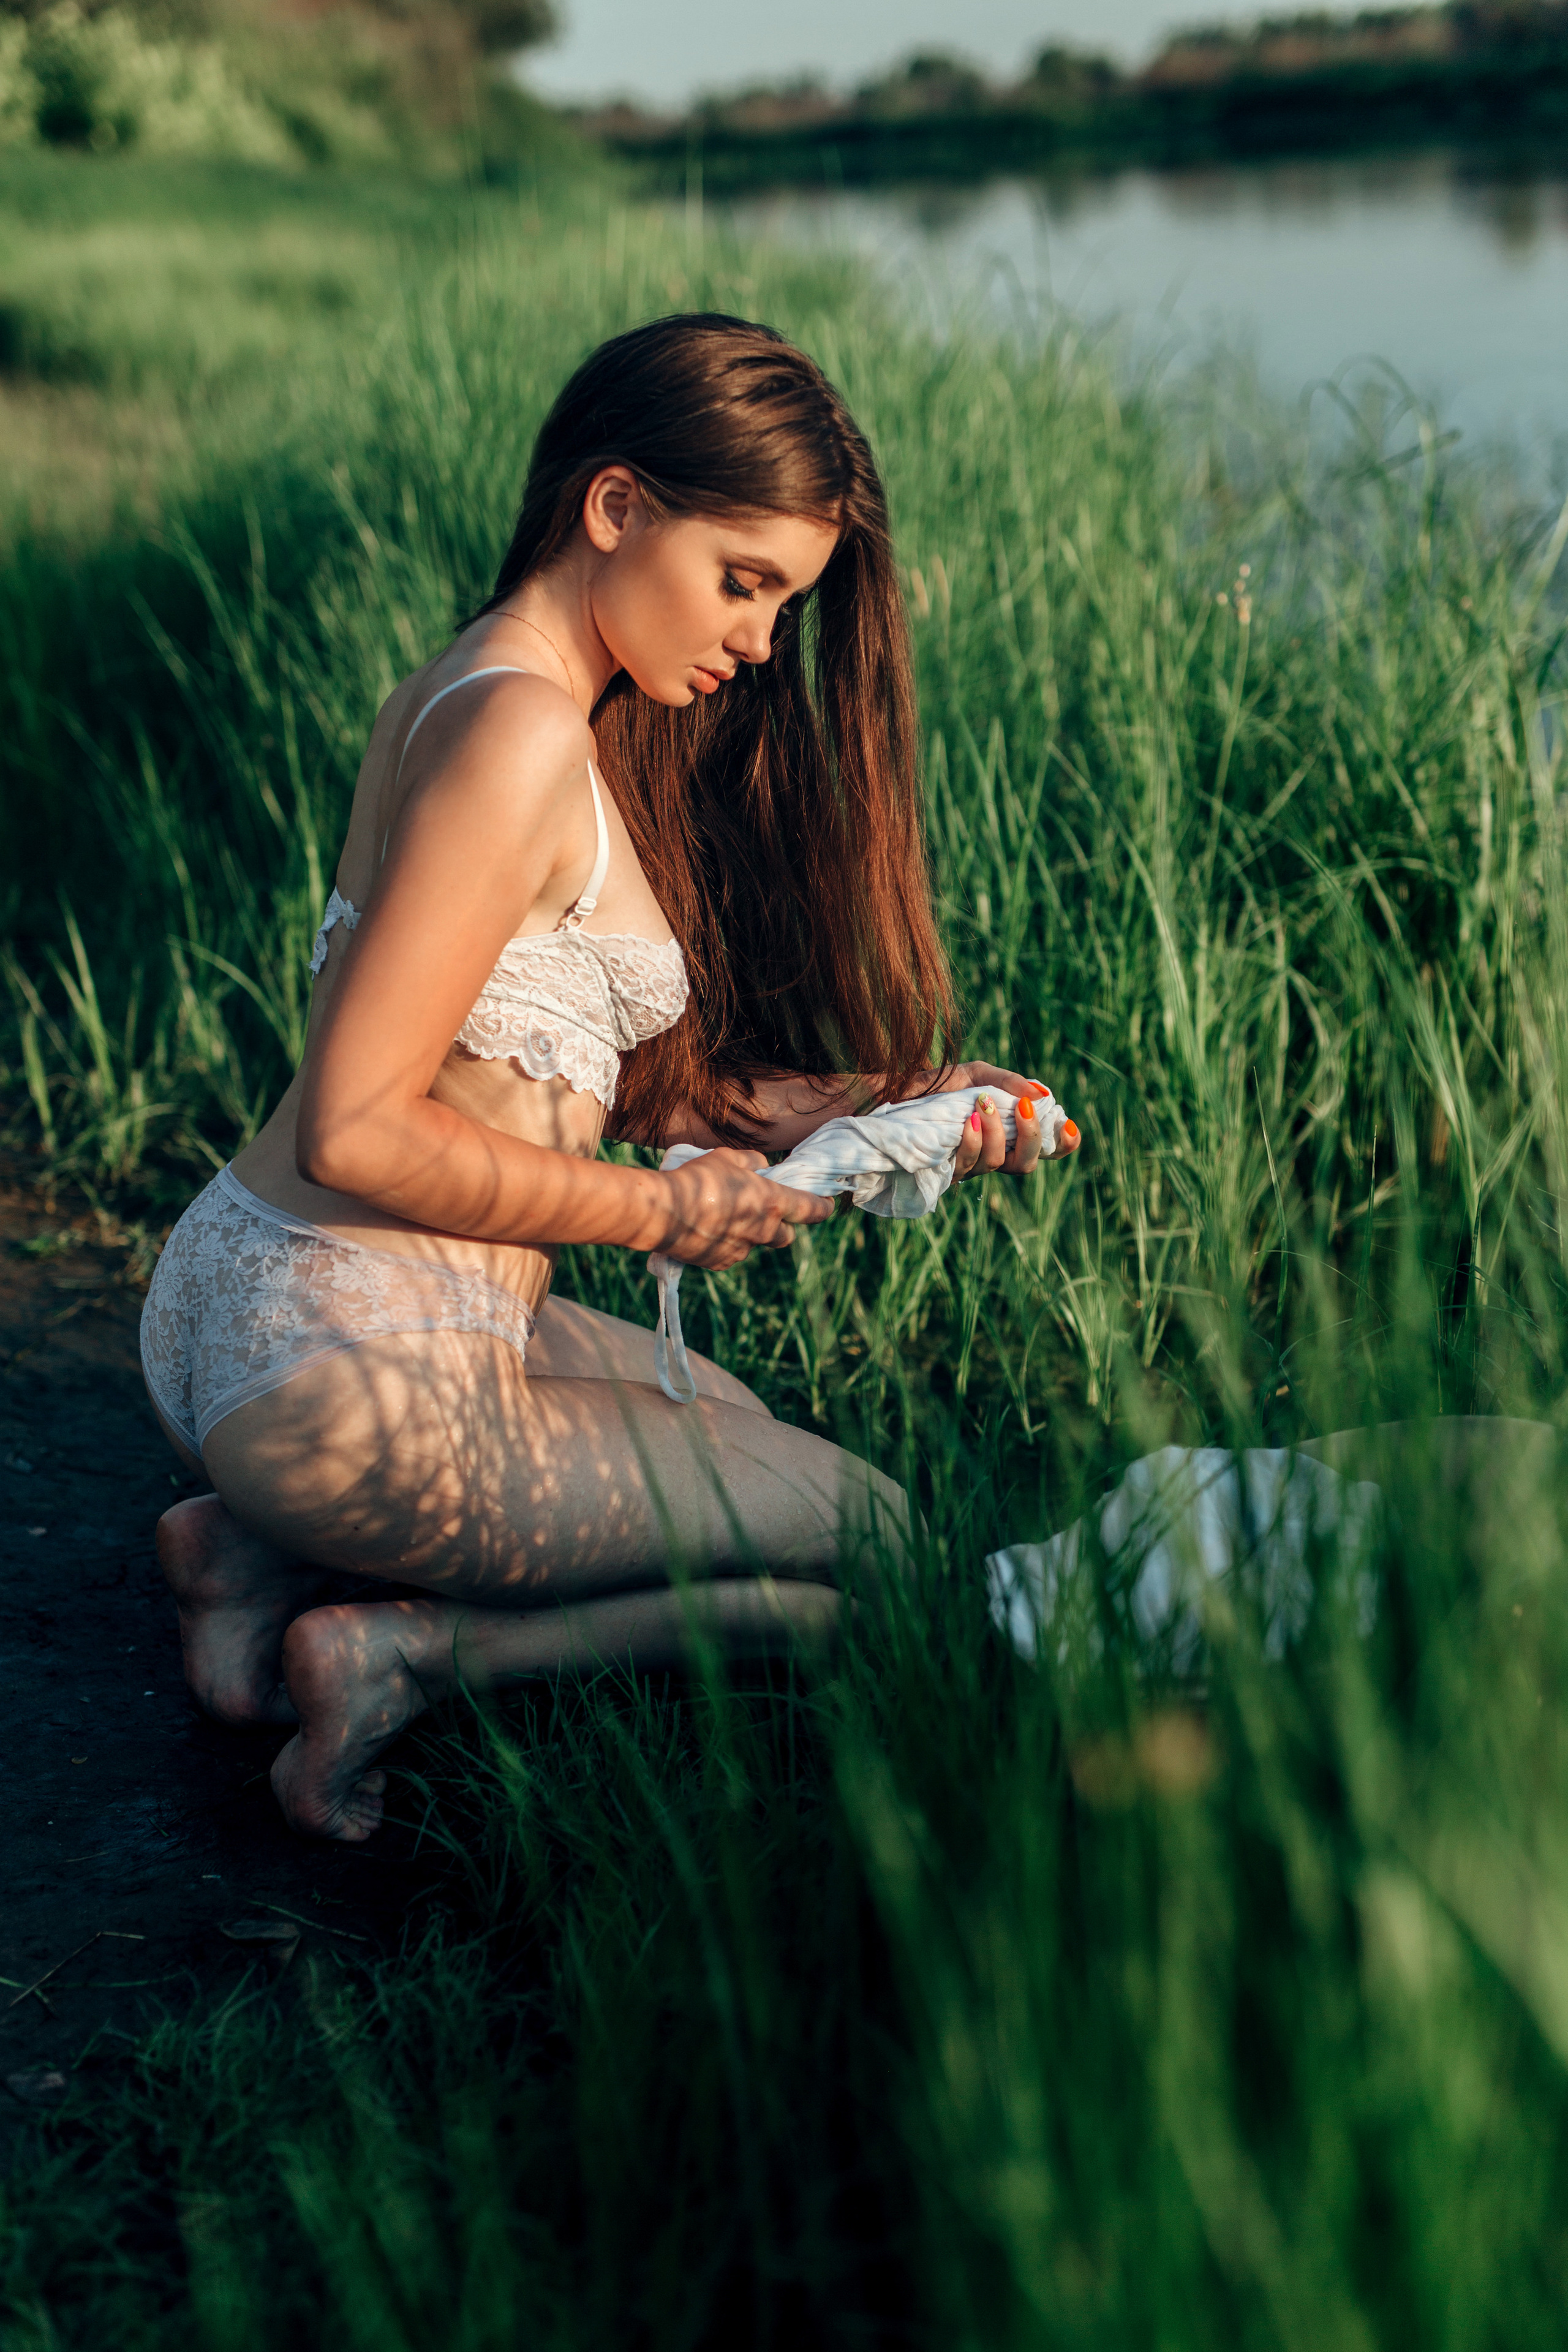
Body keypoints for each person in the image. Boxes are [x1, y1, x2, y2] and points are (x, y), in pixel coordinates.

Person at [139, 313, 1070, 1842]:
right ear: (616, 508)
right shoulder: (516, 731)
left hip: (268, 1297)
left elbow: (557, 1075)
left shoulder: (494, 698)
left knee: (728, 1417)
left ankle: (247, 1563)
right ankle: (401, 1663)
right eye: (744, 581)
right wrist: (657, 1221)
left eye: (783, 599)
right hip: (353, 1369)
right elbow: (362, 1123)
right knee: (878, 1543)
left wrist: (892, 1105)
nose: (762, 640)